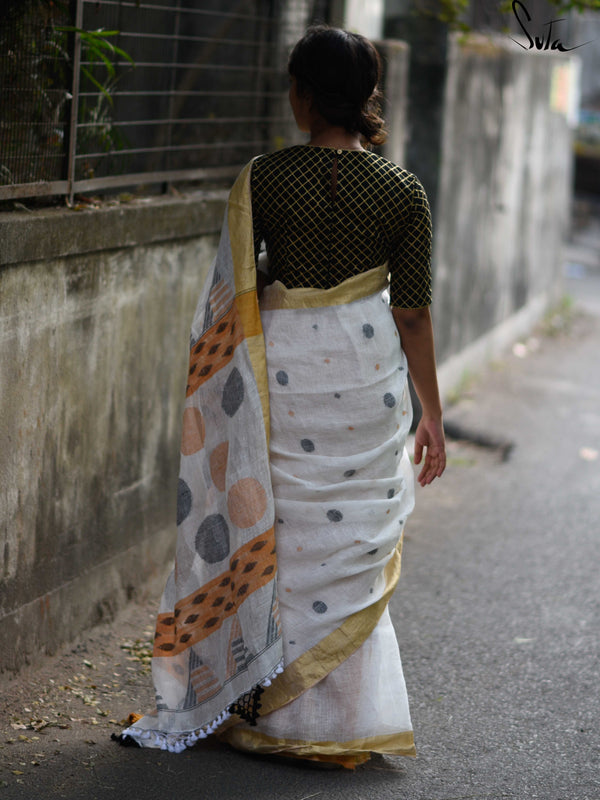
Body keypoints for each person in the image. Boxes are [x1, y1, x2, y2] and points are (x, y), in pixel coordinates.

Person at [119, 25, 445, 769]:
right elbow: (413, 313)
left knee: (282, 533)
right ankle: (341, 721)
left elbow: (244, 283)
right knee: (346, 548)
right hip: (364, 382)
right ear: (366, 97)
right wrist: (433, 411)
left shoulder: (265, 179)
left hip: (284, 376)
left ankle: (262, 703)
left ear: (303, 95)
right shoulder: (403, 191)